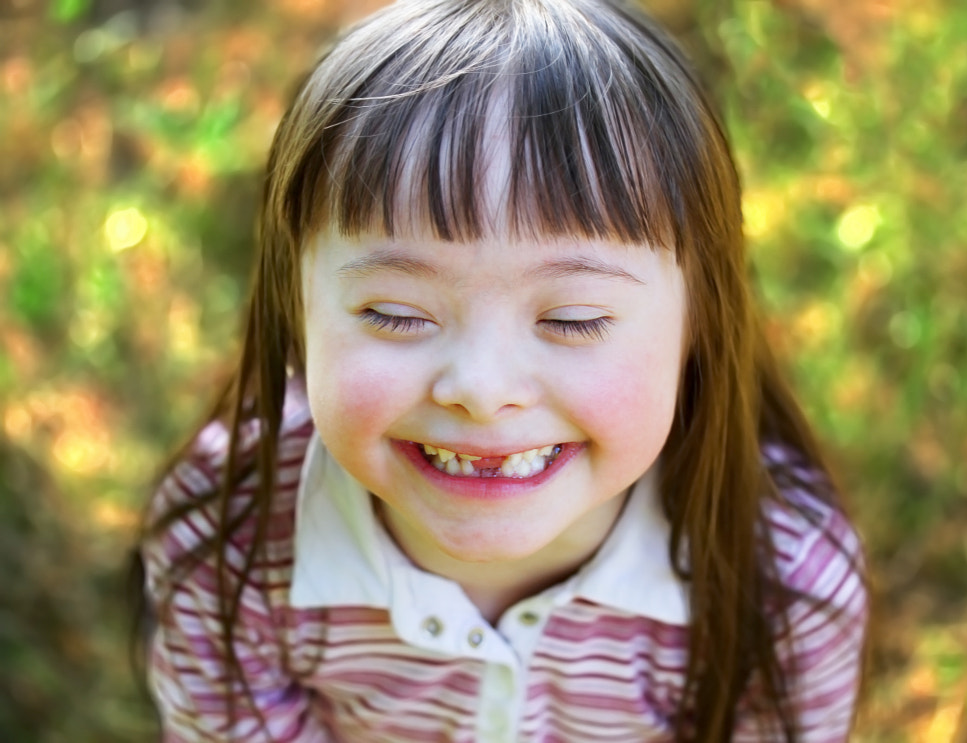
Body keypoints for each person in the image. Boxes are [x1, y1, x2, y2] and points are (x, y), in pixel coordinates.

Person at [136, 0, 869, 740]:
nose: (482, 392)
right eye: (395, 312)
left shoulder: (785, 586)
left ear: (700, 324)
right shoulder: (230, 543)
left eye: (574, 318)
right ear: (292, 310)